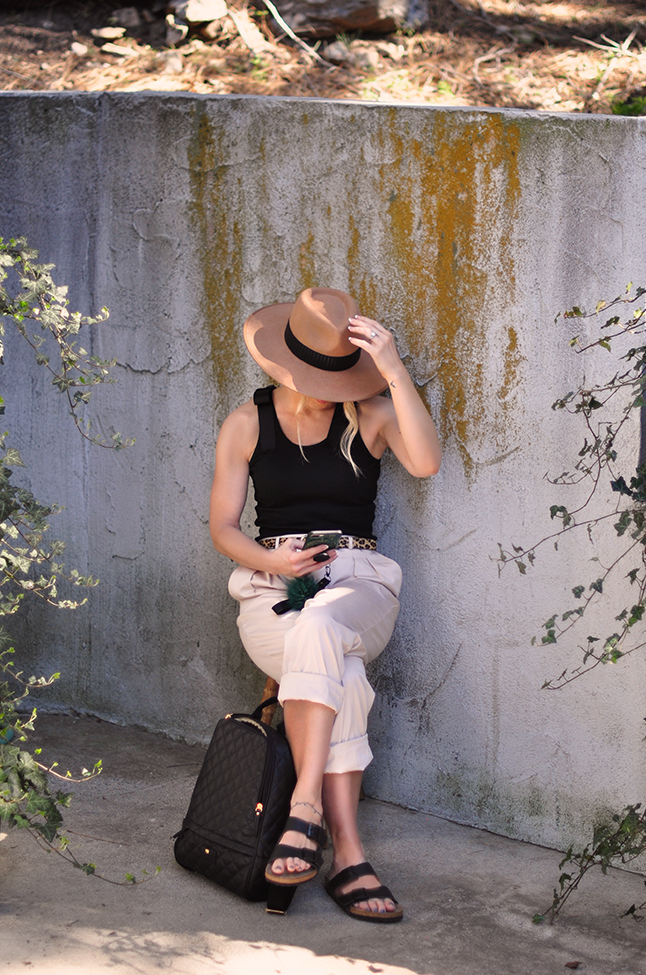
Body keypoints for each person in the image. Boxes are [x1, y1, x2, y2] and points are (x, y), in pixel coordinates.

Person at [209, 287, 441, 922]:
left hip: (357, 582)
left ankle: (303, 806)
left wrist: (393, 372)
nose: (326, 391)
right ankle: (349, 856)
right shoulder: (247, 423)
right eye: (315, 375)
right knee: (343, 670)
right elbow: (224, 528)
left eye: (340, 376)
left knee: (323, 623)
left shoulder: (370, 413)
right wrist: (275, 563)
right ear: (286, 362)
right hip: (272, 586)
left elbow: (425, 461)